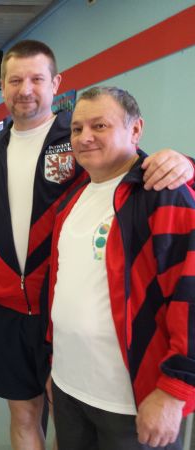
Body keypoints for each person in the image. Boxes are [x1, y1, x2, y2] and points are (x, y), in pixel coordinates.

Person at [0, 40, 194, 450]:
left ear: (56, 84)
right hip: (17, 316)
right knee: (31, 416)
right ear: (2, 87)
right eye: (15, 80)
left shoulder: (90, 148)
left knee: (68, 420)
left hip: (86, 335)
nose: (25, 89)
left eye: (36, 79)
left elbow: (143, 174)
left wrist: (185, 164)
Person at [47, 86, 195, 449]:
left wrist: (175, 390)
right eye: (77, 128)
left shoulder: (162, 193)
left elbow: (190, 295)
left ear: (136, 129)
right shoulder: (71, 199)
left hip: (133, 402)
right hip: (69, 388)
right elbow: (64, 288)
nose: (84, 137)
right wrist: (55, 366)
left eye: (99, 125)